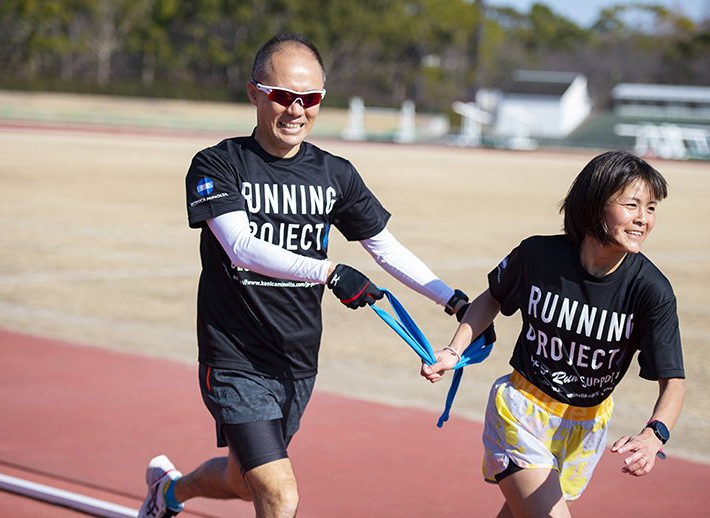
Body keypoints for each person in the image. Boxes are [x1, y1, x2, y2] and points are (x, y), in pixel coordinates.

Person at [138, 32, 469, 518]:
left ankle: (167, 493)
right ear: (254, 93)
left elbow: (385, 249)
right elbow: (242, 248)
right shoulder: (217, 164)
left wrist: (453, 300)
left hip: (296, 360)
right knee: (281, 495)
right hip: (235, 359)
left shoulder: (336, 174)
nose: (297, 110)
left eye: (310, 99)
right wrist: (331, 271)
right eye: (283, 96)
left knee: (246, 482)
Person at [422, 150, 685, 518]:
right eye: (631, 205)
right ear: (595, 203)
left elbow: (673, 380)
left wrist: (654, 434)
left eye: (652, 208)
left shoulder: (651, 290)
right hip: (522, 412)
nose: (643, 219)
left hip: (585, 427)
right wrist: (454, 350)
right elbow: (492, 299)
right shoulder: (539, 256)